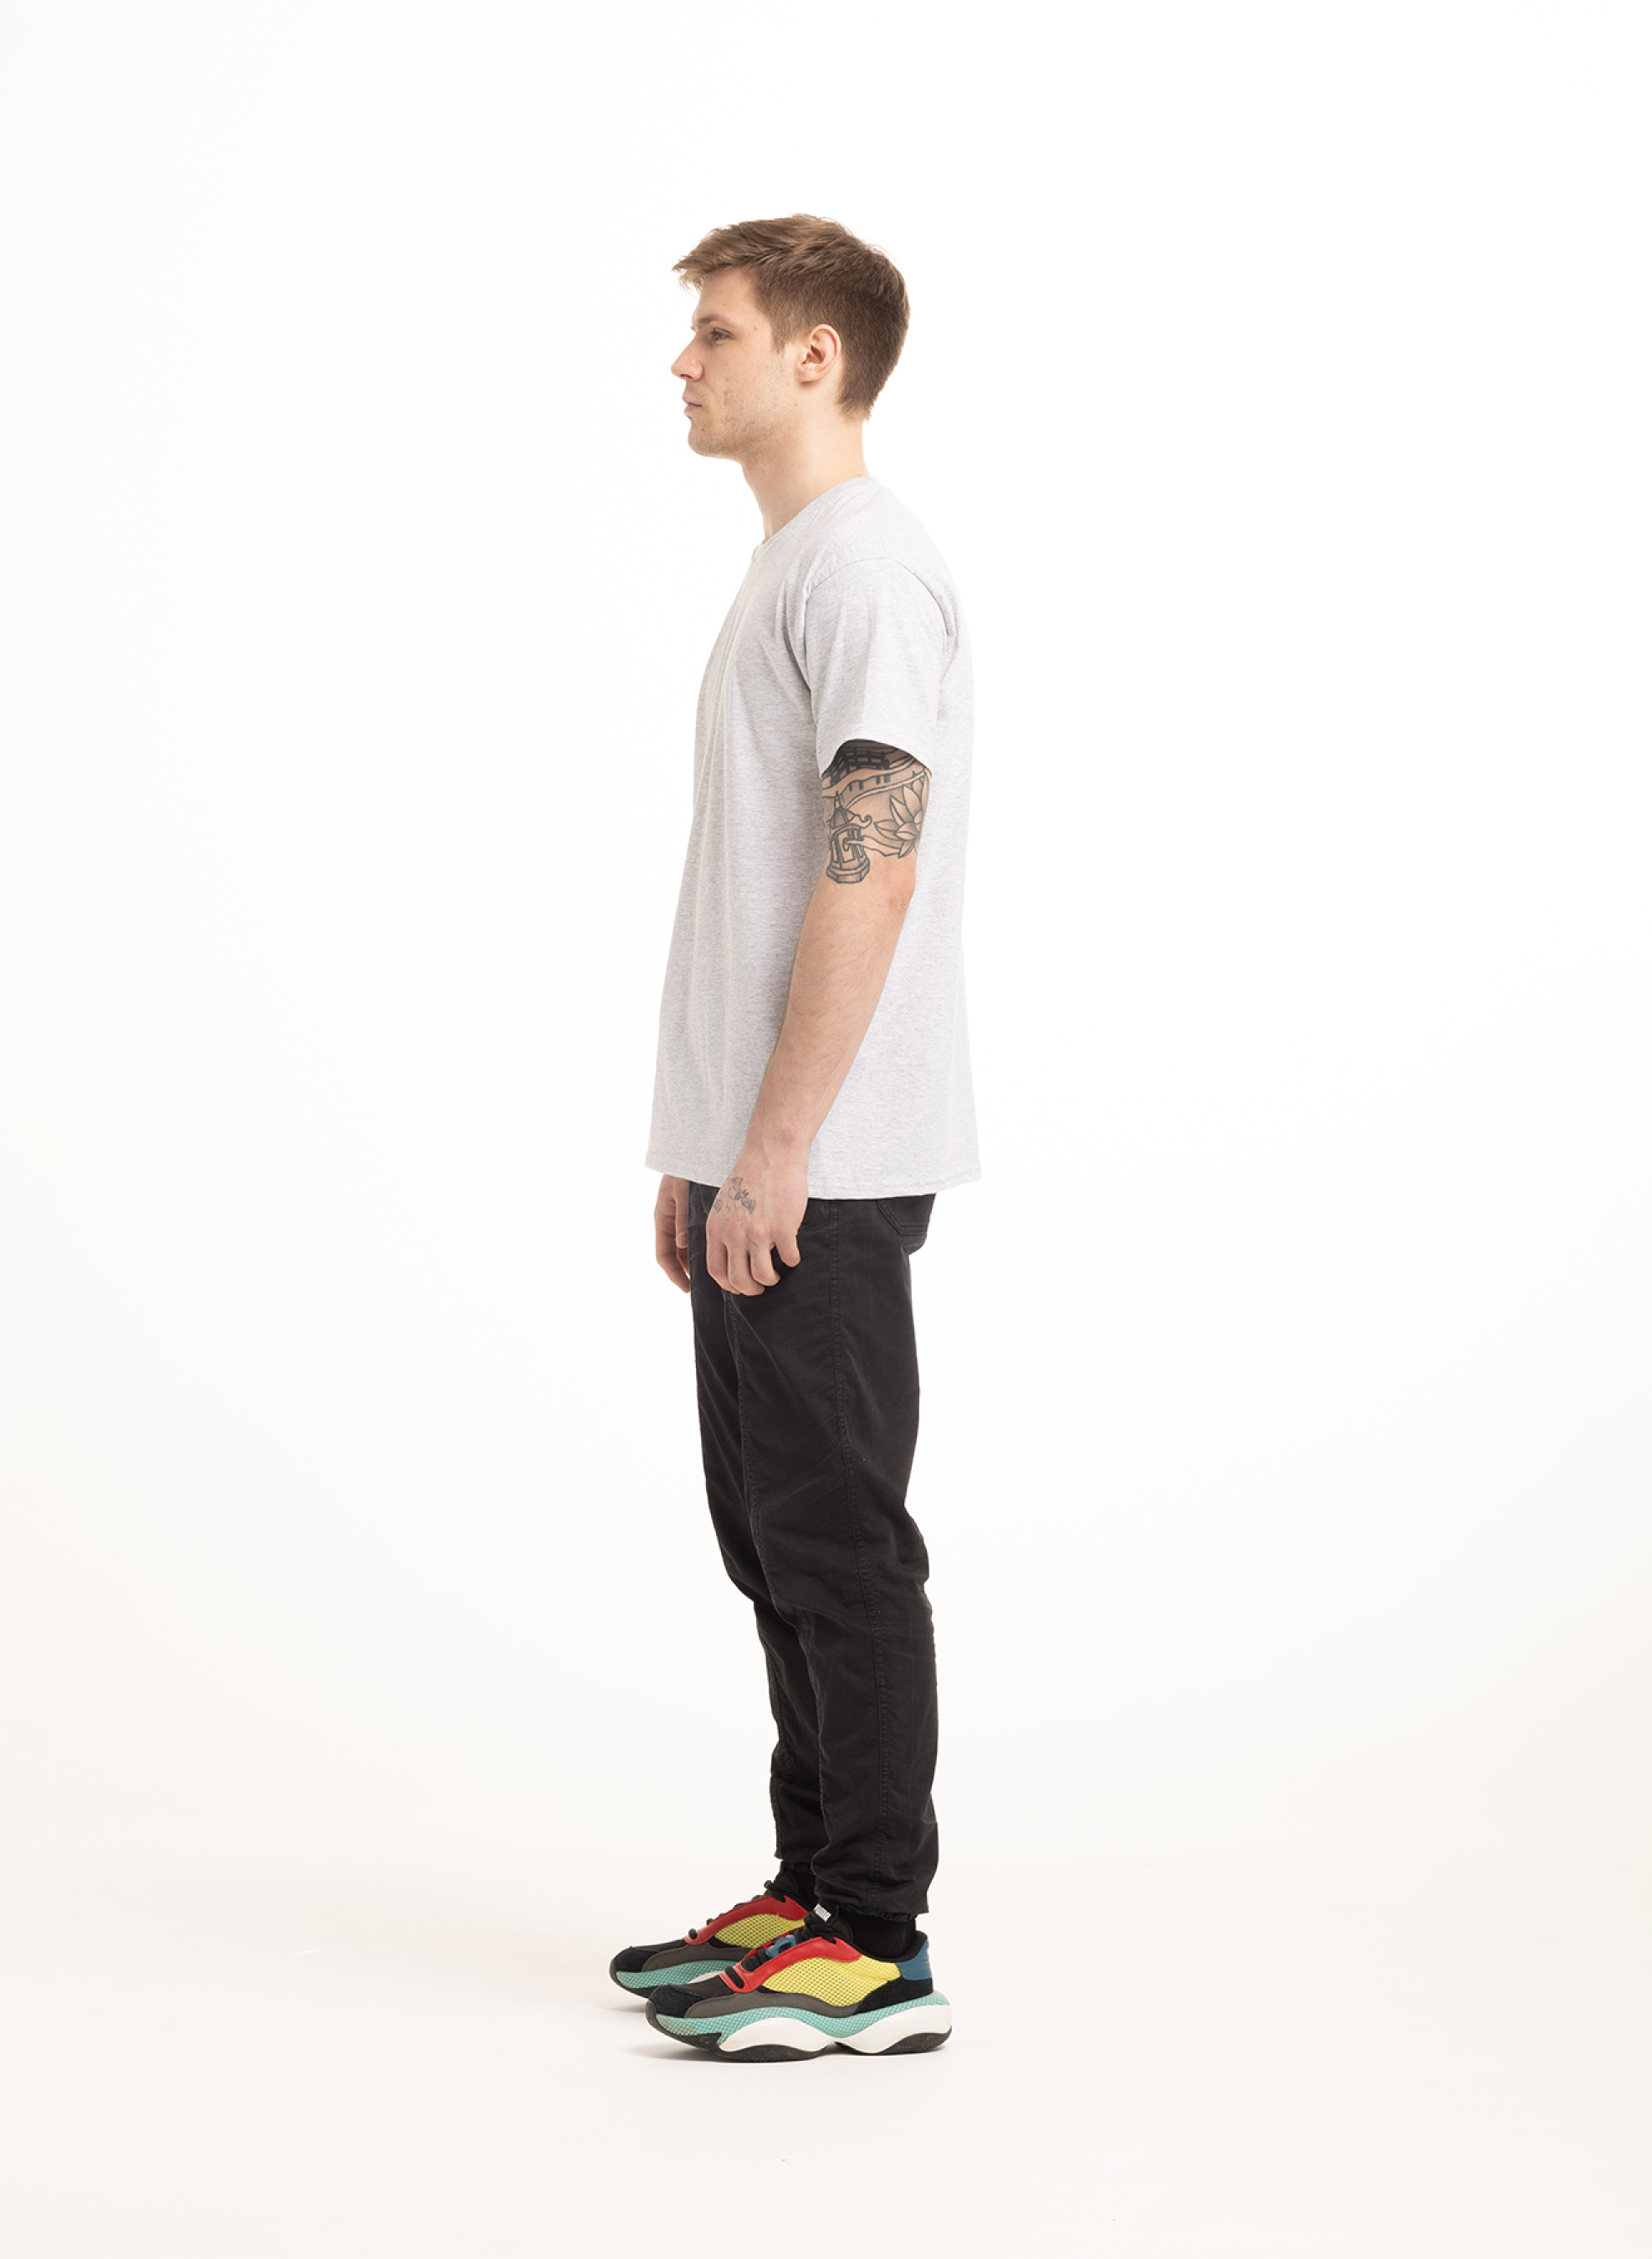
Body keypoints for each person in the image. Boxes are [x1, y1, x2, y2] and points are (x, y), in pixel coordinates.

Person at [610, 216, 977, 2062]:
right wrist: (701, 1146)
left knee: (838, 1548)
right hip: (760, 1156)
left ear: (813, 357)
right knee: (770, 1542)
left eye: (717, 331)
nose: (683, 362)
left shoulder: (863, 568)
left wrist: (775, 1147)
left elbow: (870, 861)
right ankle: (811, 1887)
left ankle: (876, 1945)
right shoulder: (792, 568)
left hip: (818, 1162)